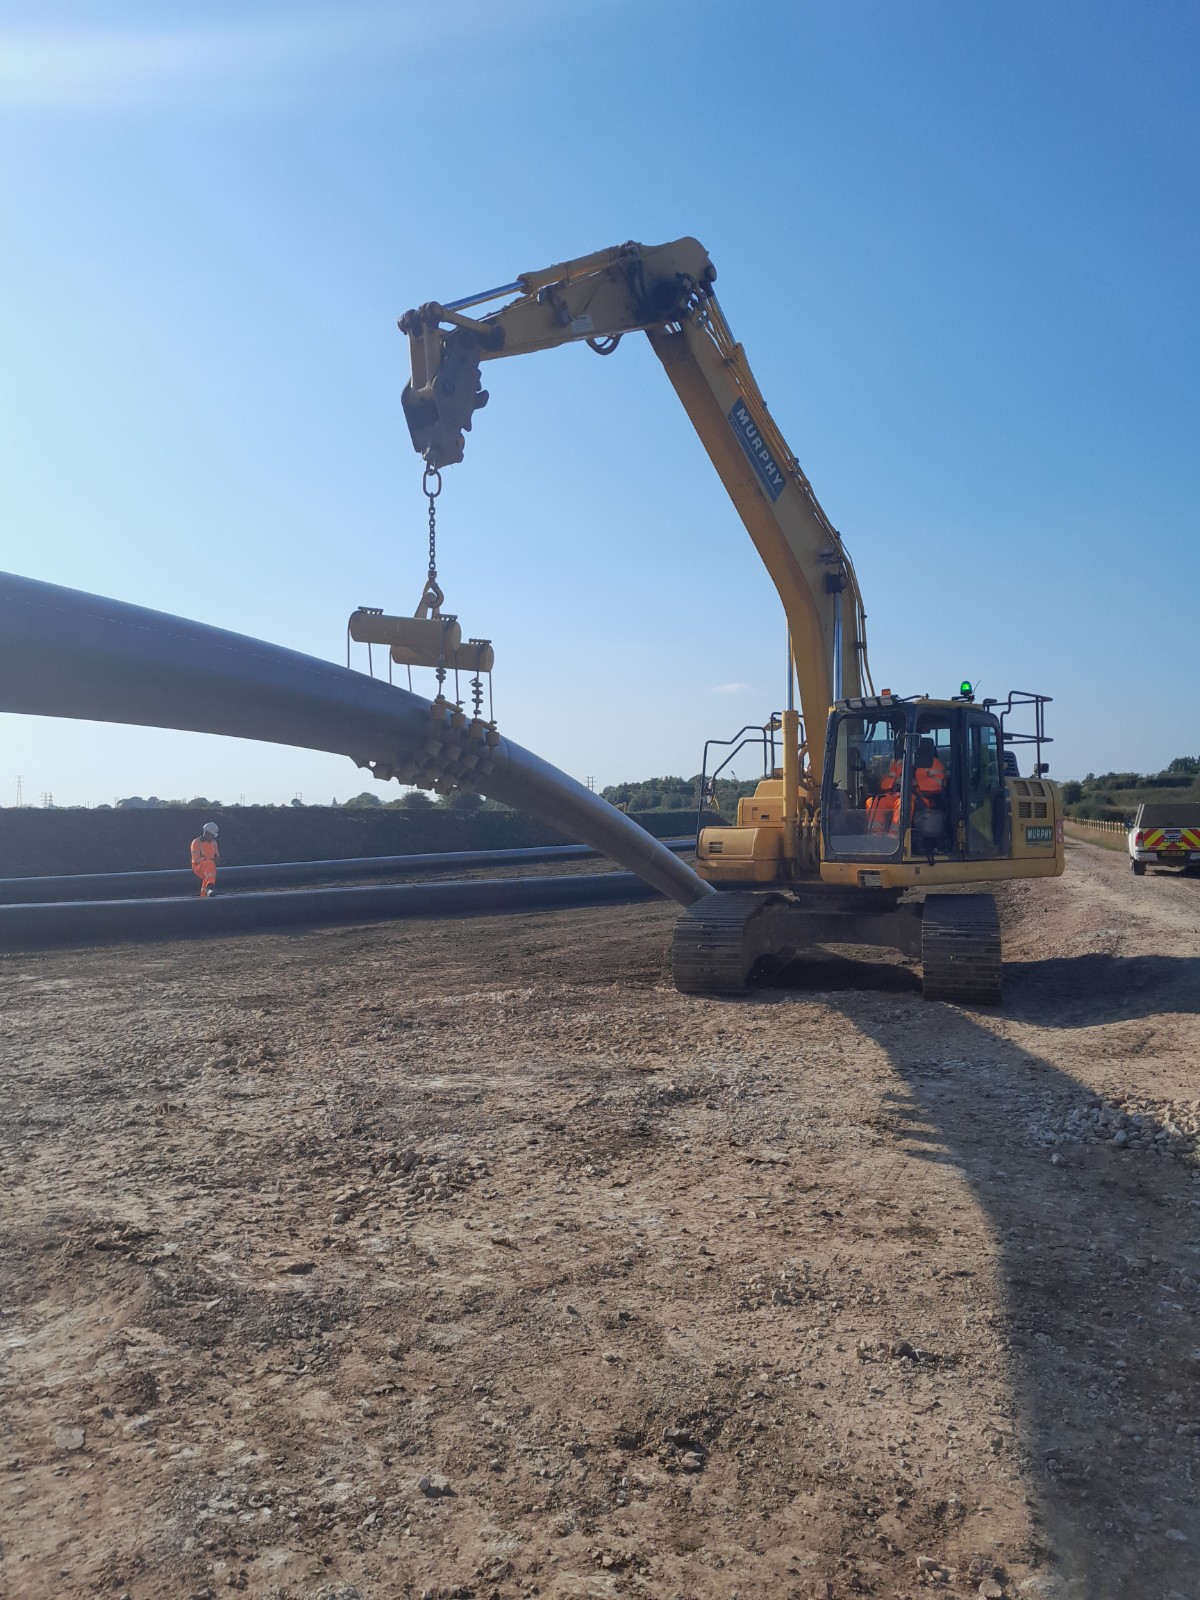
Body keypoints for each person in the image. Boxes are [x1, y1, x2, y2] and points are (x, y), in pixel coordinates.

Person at [190, 822, 220, 897]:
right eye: (212, 835)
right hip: (198, 867)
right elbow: (196, 860)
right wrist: (210, 860)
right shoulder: (196, 843)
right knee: (209, 864)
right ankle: (211, 887)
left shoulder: (214, 843)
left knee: (210, 867)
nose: (213, 838)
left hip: (210, 867)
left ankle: (204, 894)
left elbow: (216, 856)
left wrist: (216, 860)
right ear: (206, 833)